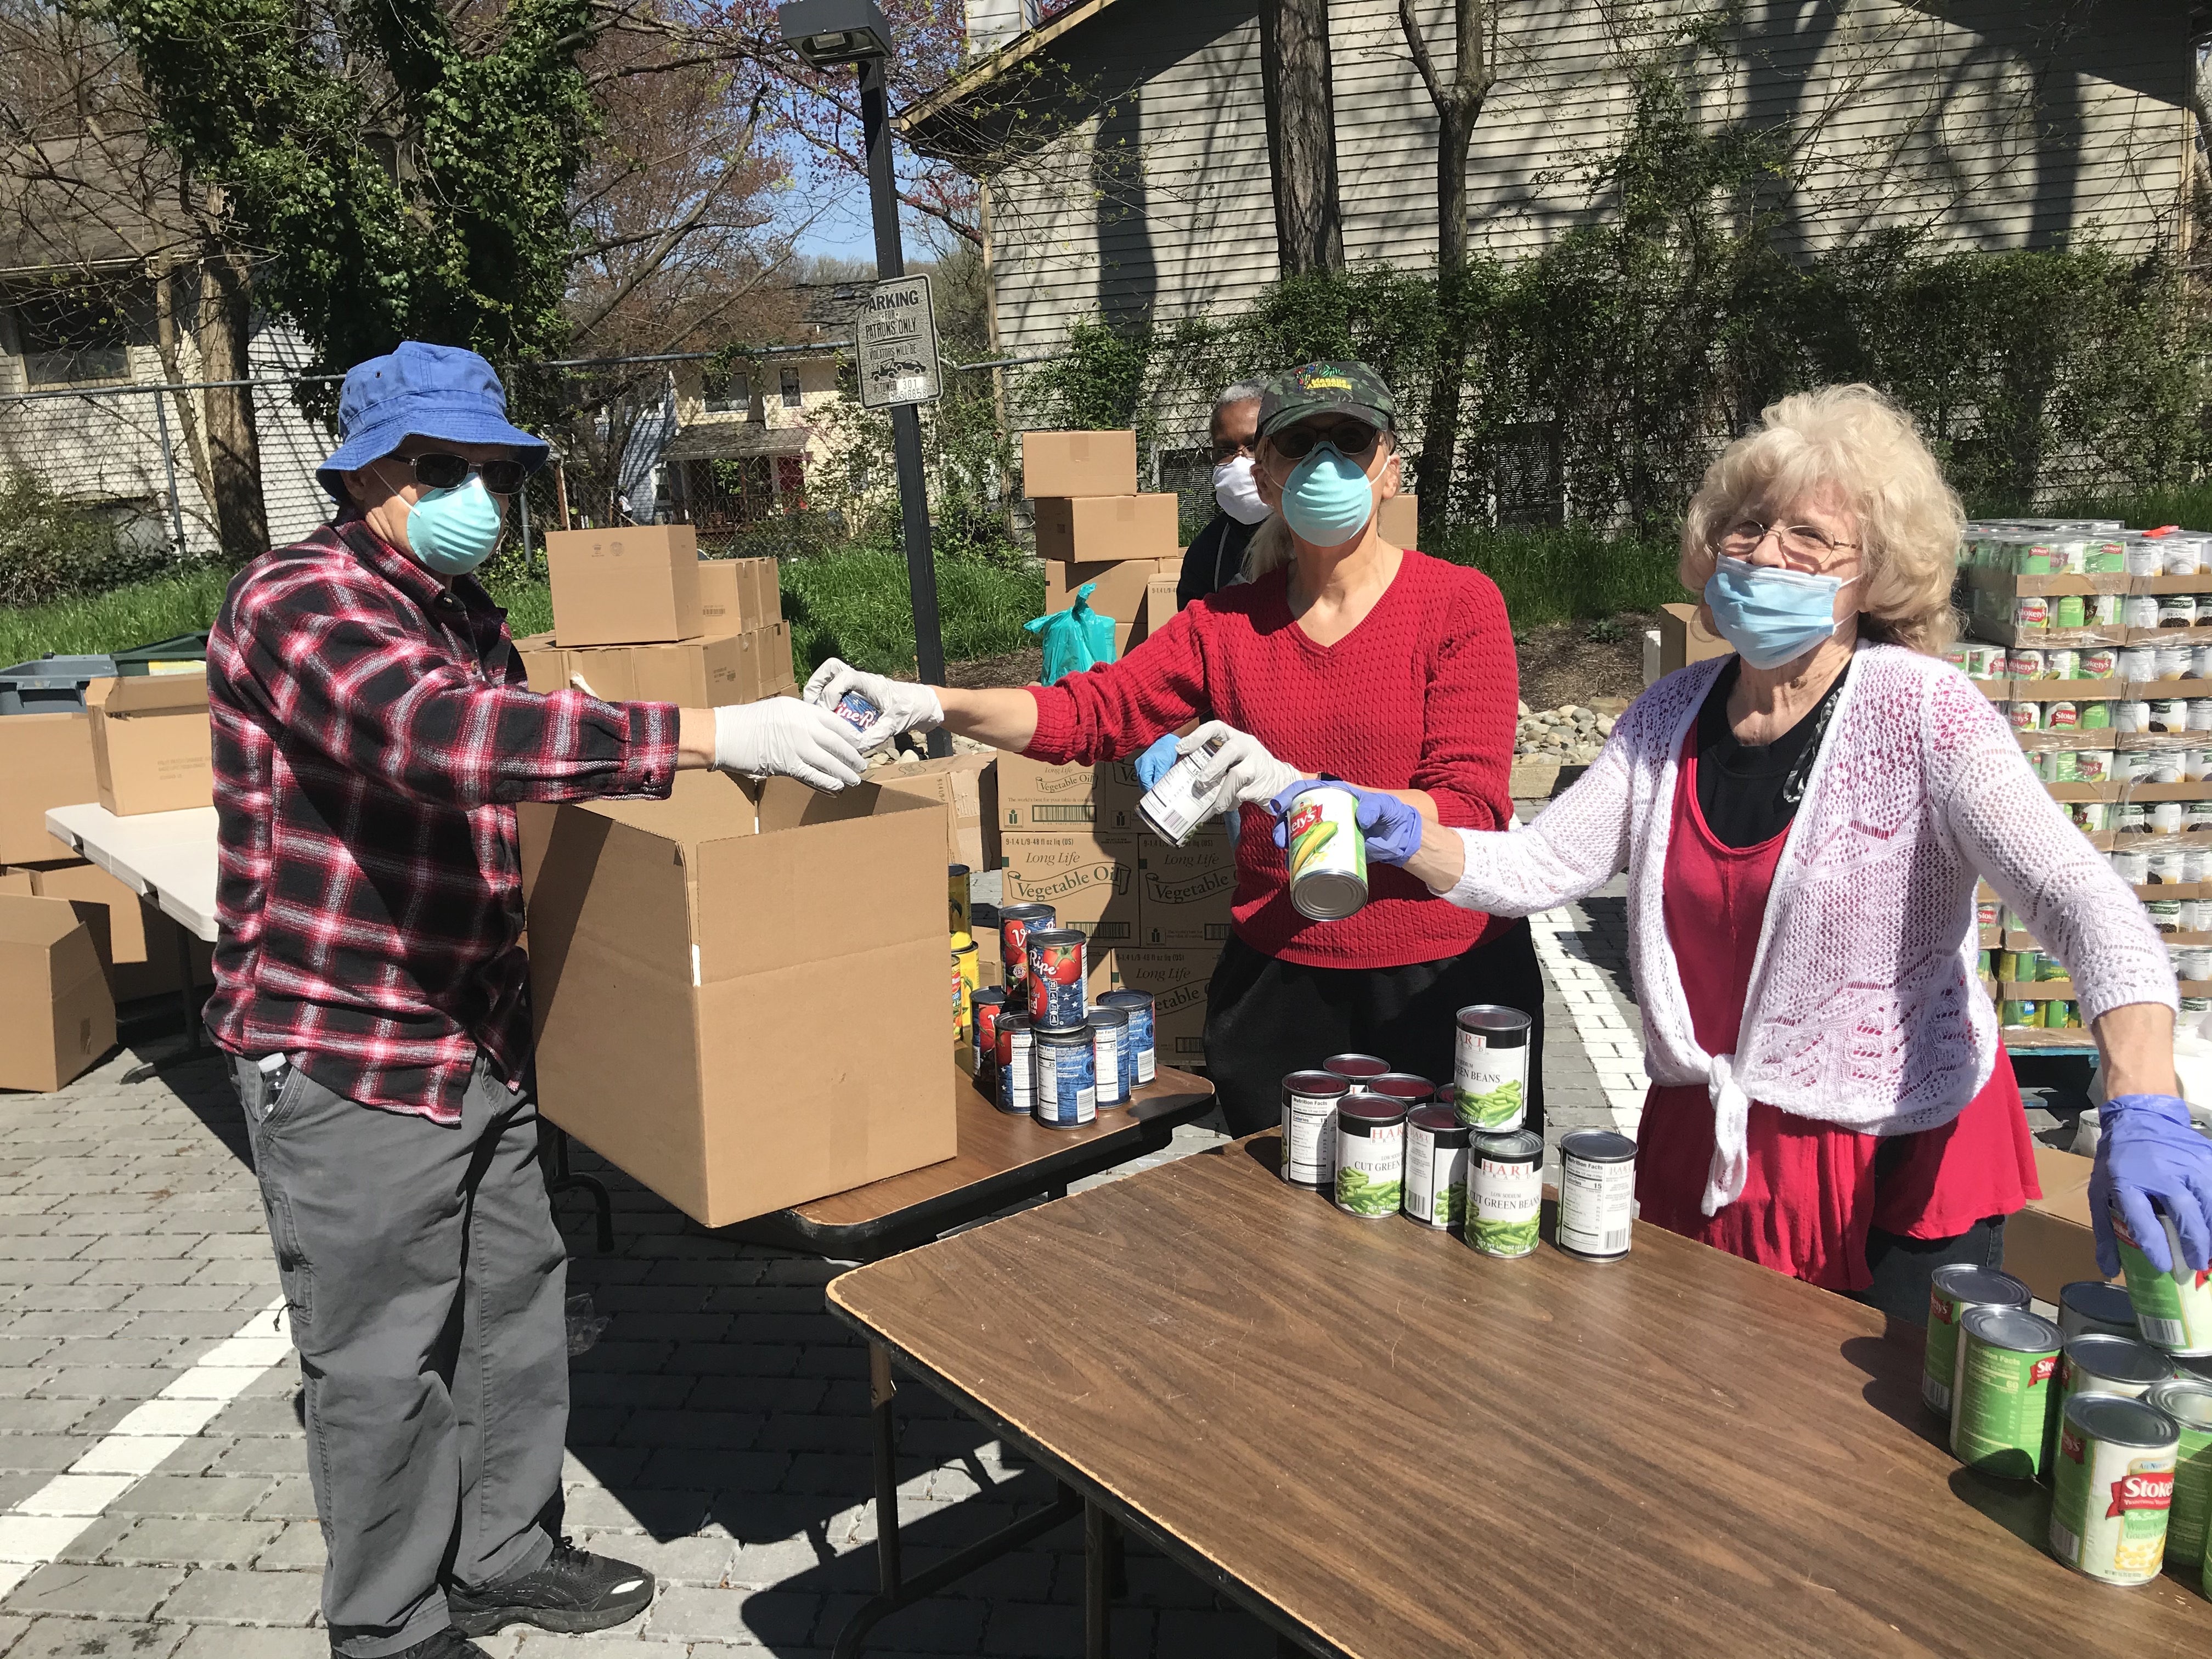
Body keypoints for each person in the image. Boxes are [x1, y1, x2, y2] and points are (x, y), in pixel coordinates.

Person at [204, 341, 867, 1659]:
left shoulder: (459, 608)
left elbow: (526, 764)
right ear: (368, 476)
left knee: (514, 1305)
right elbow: (443, 739)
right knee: (385, 1353)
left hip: (477, 1025)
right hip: (349, 1043)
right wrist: (712, 735)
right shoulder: (302, 598)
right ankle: (389, 1623)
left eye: (490, 469)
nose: (476, 495)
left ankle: (502, 1554)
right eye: (439, 469)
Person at [1335, 383, 2202, 1319]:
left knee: (1870, 1445)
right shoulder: (1667, 715)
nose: (1763, 553)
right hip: (1710, 1136)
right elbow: (1540, 865)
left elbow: (2076, 892)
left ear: (1873, 572)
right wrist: (1403, 829)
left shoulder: (1924, 713)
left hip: (1895, 1148)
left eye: (1809, 539)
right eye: (1745, 526)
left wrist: (2141, 1092)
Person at [805, 361, 1543, 1134]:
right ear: (1264, 474)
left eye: (1350, 441)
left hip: (1439, 978)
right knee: (1283, 1235)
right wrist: (928, 700)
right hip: (1281, 982)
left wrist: (1303, 791)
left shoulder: (1458, 605)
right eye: (1299, 445)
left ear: (1390, 468)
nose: (1327, 465)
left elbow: (1469, 806)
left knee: (1451, 1226)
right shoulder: (1222, 626)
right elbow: (1089, 713)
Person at [1177, 379, 1269, 607]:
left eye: (1253, 446)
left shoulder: (1316, 538)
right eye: (1226, 451)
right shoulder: (1207, 552)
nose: (1239, 463)